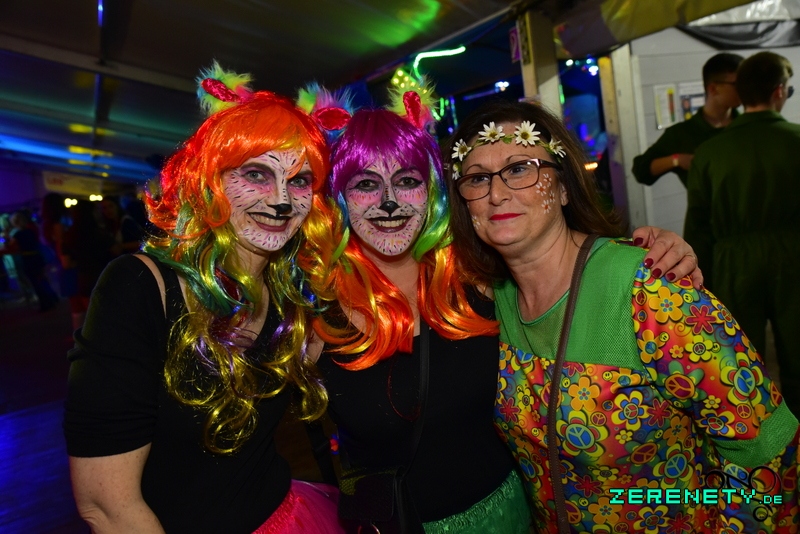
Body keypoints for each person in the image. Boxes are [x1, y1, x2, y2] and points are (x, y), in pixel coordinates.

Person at [304, 86, 703, 533]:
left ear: (432, 191)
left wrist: (649, 251)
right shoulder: (312, 315)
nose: (389, 202)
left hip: (517, 517)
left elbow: (559, 262)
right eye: (365, 184)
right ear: (337, 196)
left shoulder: (480, 281)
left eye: (408, 181)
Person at [446, 99, 799, 533]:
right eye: (477, 178)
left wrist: (700, 512)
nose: (497, 193)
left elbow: (768, 448)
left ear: (563, 187)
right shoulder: (485, 302)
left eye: (520, 168)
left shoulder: (652, 292)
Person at [64, 64, 345, 534]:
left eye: (299, 181)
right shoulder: (139, 287)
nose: (281, 200)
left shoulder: (290, 289)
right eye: (256, 174)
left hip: (288, 515)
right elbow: (106, 506)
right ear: (209, 179)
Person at [685, 50, 800, 417]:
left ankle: (758, 434)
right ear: (779, 91)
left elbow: (698, 227)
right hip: (794, 258)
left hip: (733, 263)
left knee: (742, 362)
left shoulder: (709, 152)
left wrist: (700, 285)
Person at [632, 53, 743, 187]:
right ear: (713, 89)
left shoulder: (748, 125)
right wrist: (677, 160)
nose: (745, 89)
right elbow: (641, 171)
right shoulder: (682, 133)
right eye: (737, 84)